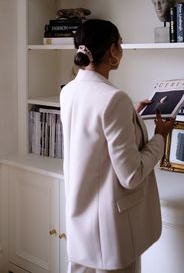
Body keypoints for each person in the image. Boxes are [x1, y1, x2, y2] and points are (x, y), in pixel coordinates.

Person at [60, 19, 175, 273]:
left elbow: (94, 140)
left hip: (81, 224)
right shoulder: (114, 99)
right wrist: (160, 137)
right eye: (120, 43)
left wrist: (130, 117)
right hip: (110, 232)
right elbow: (131, 176)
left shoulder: (67, 91)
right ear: (113, 50)